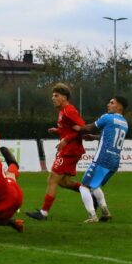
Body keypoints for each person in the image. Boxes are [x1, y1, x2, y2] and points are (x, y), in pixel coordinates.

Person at [26, 83, 85, 221]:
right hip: (68, 149)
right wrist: (58, 131)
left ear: (64, 97)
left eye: (56, 95)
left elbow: (82, 128)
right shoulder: (62, 111)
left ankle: (43, 213)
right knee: (64, 182)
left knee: (52, 179)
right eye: (52, 95)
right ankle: (90, 193)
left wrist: (65, 140)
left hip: (70, 150)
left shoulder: (69, 110)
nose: (53, 98)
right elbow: (70, 129)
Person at [73, 96, 129, 223]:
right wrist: (94, 137)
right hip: (115, 160)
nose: (108, 104)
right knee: (95, 185)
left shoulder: (107, 117)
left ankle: (92, 216)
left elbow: (88, 127)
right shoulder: (125, 123)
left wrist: (75, 128)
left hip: (102, 158)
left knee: (84, 186)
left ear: (119, 107)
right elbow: (109, 136)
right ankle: (105, 212)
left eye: (112, 102)